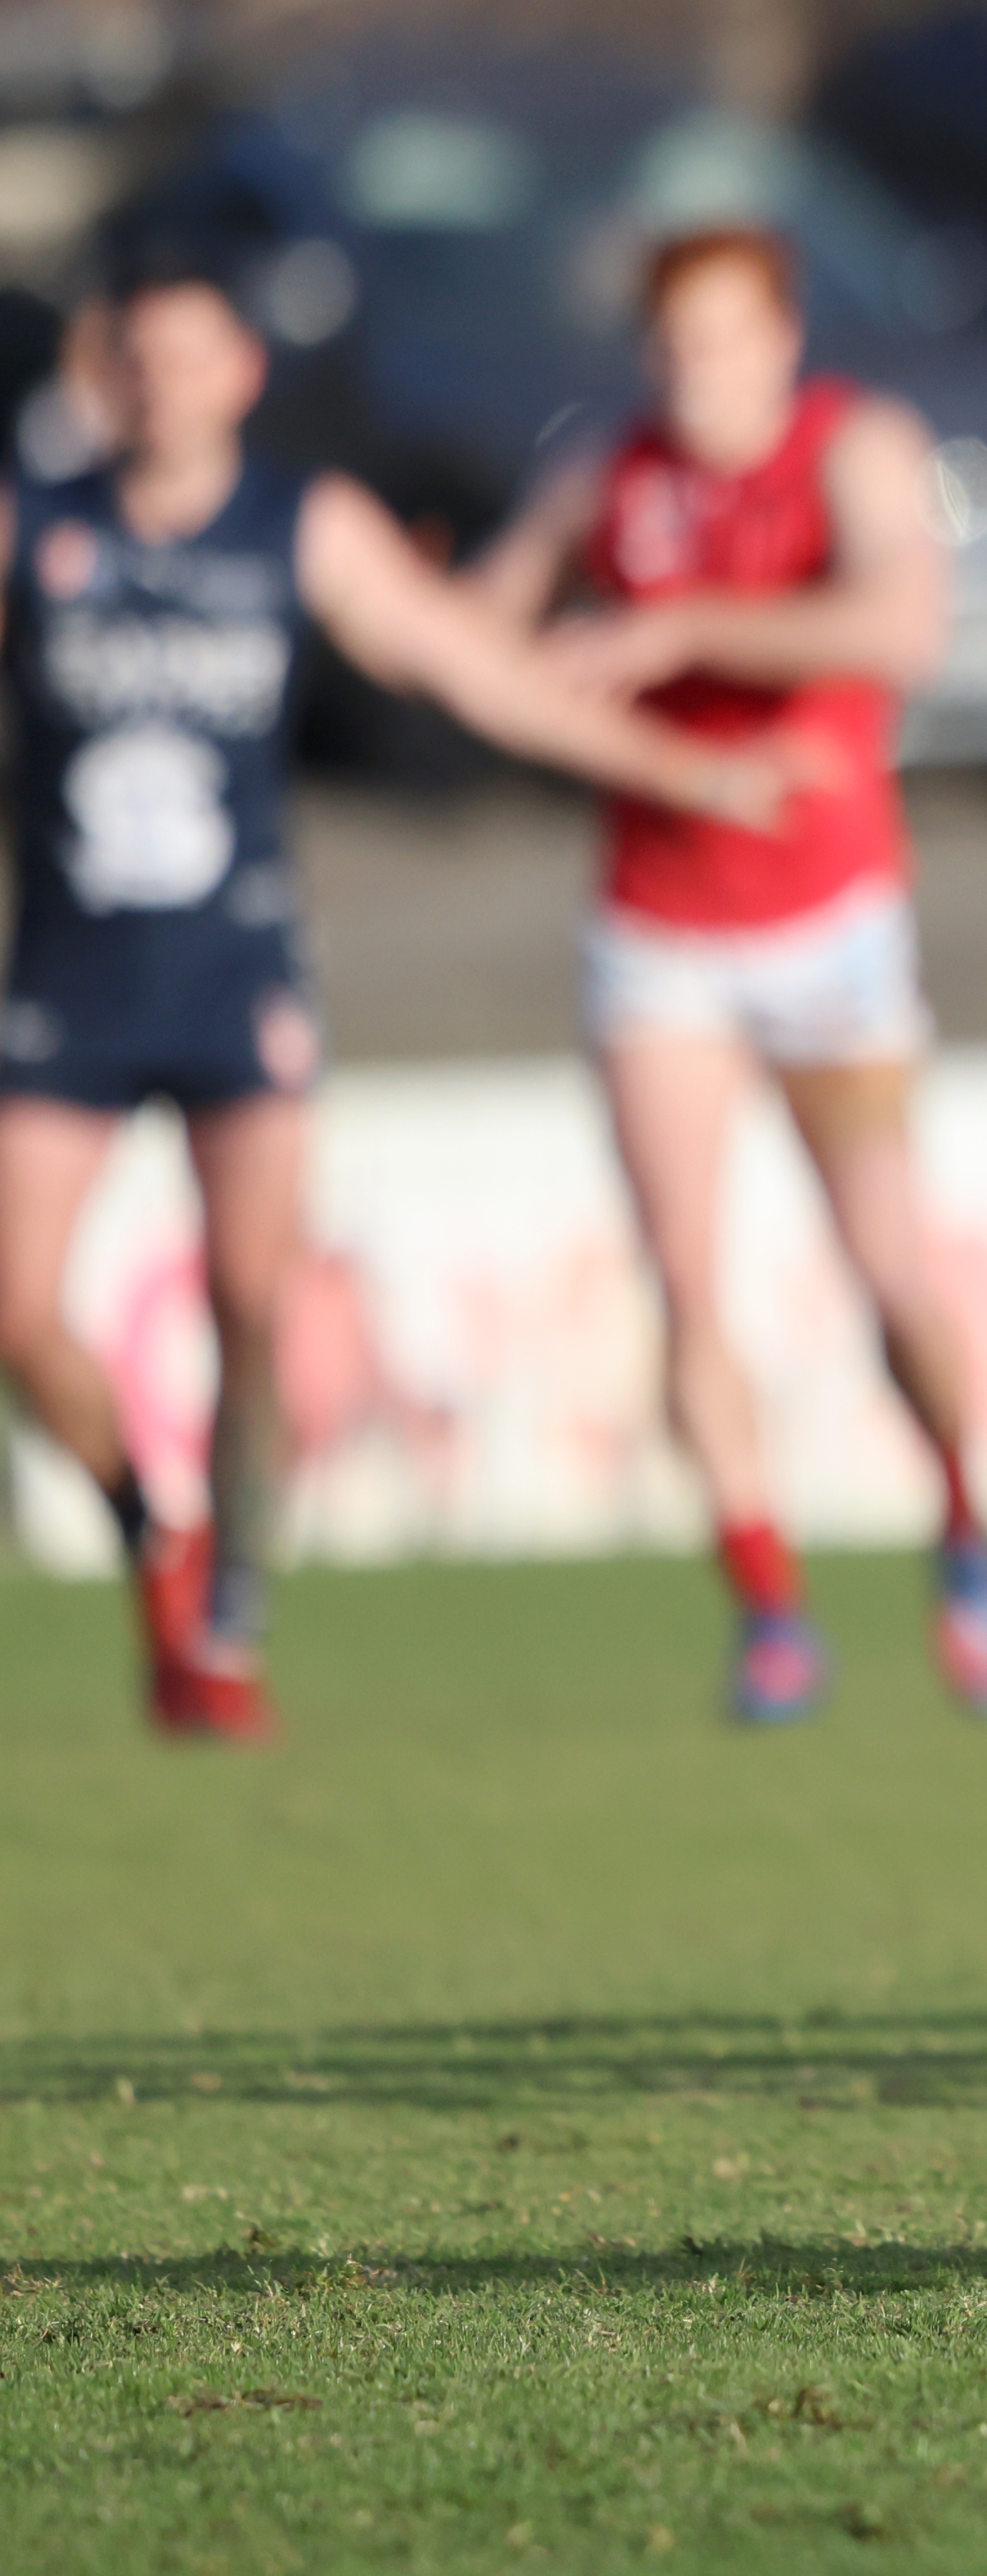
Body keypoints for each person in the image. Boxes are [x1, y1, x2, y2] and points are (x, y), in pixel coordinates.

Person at [2, 202, 792, 1738]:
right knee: (16, 1306)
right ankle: (142, 1530)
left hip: (236, 976)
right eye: (134, 363)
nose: (159, 389)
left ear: (238, 371)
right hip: (66, 980)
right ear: (107, 374)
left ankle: (228, 1610)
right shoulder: (39, 521)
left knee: (249, 1296)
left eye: (186, 359)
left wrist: (682, 774)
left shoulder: (299, 525)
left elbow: (474, 669)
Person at [467, 222, 987, 1731]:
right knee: (688, 1282)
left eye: (722, 337)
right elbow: (479, 653)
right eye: (669, 343)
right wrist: (659, 756)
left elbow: (900, 626)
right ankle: (769, 1605)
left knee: (889, 1272)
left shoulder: (856, 444)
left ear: (783, 337)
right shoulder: (606, 473)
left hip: (830, 918)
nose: (694, 371)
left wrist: (683, 628)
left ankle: (968, 1528)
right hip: (656, 926)